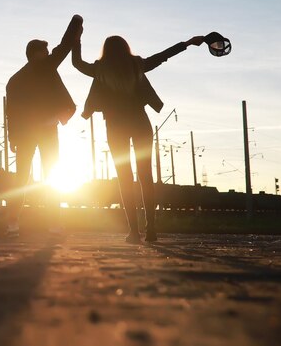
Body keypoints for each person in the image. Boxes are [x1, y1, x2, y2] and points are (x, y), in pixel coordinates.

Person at [72, 30, 204, 243]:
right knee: (145, 175)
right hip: (140, 122)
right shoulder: (136, 64)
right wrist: (187, 43)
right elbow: (162, 56)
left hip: (115, 126)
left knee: (124, 178)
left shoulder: (99, 69)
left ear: (106, 51)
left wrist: (75, 39)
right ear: (126, 48)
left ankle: (133, 232)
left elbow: (77, 63)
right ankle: (151, 229)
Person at [5, 15, 83, 237]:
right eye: (46, 51)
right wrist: (76, 23)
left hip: (25, 134)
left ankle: (12, 223)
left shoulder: (14, 80)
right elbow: (65, 46)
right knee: (51, 175)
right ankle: (54, 224)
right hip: (47, 130)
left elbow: (11, 113)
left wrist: (12, 138)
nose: (50, 54)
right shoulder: (47, 66)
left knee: (21, 178)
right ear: (36, 54)